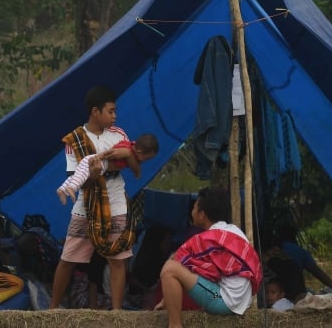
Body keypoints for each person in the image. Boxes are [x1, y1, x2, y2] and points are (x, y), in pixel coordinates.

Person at [49, 86, 134, 310]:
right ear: (95, 111)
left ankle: (116, 314)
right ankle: (51, 310)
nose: (114, 116)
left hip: (116, 203)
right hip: (85, 206)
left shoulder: (119, 135)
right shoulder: (74, 139)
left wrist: (106, 166)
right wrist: (94, 175)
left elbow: (130, 156)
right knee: (68, 258)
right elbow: (75, 179)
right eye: (110, 111)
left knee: (117, 261)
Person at [155, 187, 262, 328]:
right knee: (184, 268)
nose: (192, 211)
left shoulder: (209, 238)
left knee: (169, 269)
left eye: (194, 207)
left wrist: (164, 299)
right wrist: (166, 299)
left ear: (201, 214)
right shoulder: (233, 232)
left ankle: (175, 325)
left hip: (223, 300)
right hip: (239, 300)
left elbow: (177, 259)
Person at [56, 133, 159, 205]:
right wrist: (98, 158)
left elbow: (137, 171)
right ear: (139, 152)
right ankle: (71, 188)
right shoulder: (125, 148)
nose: (145, 161)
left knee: (77, 176)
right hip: (97, 161)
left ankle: (62, 190)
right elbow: (110, 153)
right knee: (81, 177)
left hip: (99, 165)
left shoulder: (130, 154)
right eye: (146, 158)